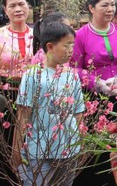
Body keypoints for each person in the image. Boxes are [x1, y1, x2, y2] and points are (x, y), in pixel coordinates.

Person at [71, 0, 117, 186]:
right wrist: (97, 83)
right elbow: (74, 68)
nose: (110, 9)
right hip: (93, 100)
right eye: (104, 5)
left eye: (112, 4)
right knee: (95, 147)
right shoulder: (80, 35)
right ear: (91, 8)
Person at [13, 21, 84, 186]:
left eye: (72, 46)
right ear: (50, 47)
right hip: (39, 150)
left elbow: (78, 112)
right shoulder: (33, 76)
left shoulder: (72, 76)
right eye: (66, 46)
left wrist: (81, 142)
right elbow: (23, 114)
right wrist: (16, 147)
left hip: (69, 148)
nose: (71, 51)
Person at [0, 0, 33, 186]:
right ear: (5, 10)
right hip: (4, 97)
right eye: (12, 6)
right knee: (3, 145)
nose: (18, 9)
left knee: (30, 144)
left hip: (34, 97)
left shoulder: (38, 35)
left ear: (28, 6)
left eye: (22, 4)